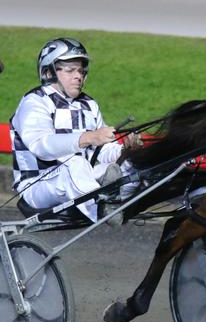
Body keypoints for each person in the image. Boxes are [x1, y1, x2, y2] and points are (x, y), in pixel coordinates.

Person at [10, 37, 139, 222]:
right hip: (37, 187)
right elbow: (42, 146)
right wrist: (88, 137)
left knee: (130, 165)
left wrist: (125, 150)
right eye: (70, 70)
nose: (78, 76)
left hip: (79, 179)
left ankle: (124, 202)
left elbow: (101, 150)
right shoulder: (34, 101)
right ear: (48, 73)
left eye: (80, 70)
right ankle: (104, 210)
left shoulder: (89, 104)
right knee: (74, 165)